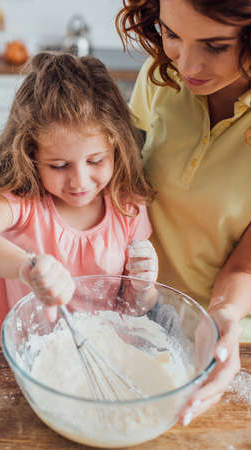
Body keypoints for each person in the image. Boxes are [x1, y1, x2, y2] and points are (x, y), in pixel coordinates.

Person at [0, 51, 158, 346]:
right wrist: (26, 267)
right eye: (59, 165)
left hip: (98, 357)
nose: (80, 181)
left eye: (96, 161)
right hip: (16, 359)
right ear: (30, 154)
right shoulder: (24, 202)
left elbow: (134, 308)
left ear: (117, 146)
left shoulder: (128, 206)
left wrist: (142, 288)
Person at [116, 0, 251, 426]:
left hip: (221, 328)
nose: (187, 64)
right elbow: (122, 188)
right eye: (172, 34)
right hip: (138, 315)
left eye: (215, 45)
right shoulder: (160, 79)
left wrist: (222, 320)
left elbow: (244, 263)